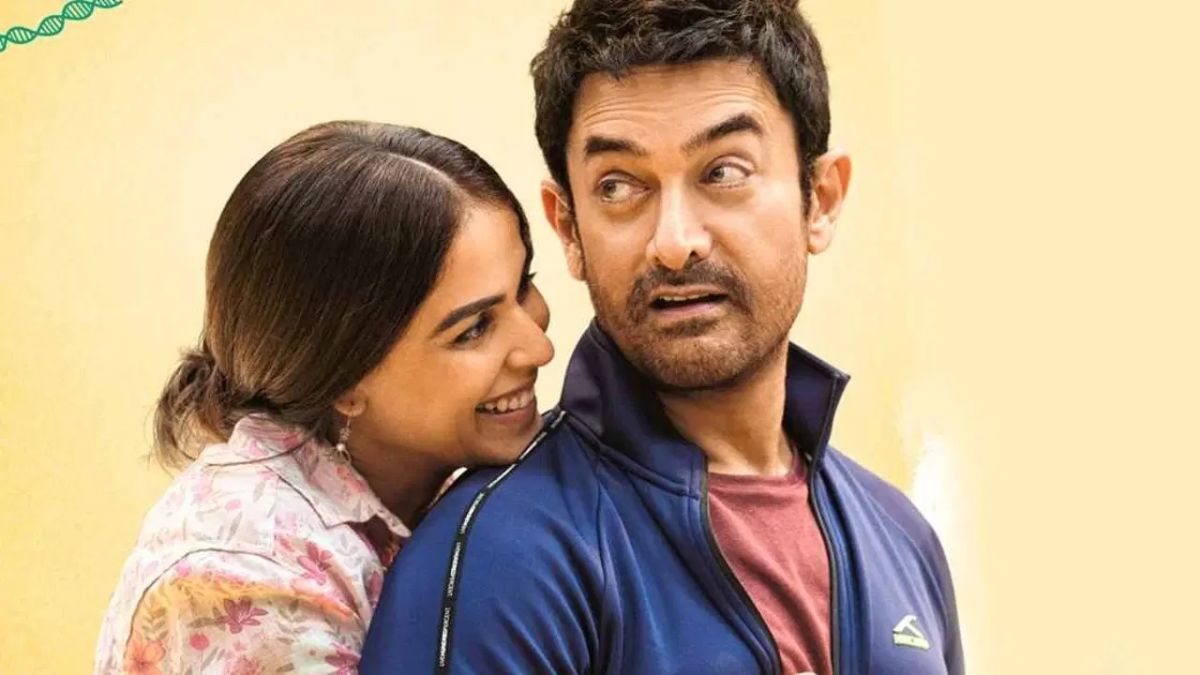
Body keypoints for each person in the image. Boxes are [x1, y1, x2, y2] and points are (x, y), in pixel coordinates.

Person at [360, 1, 963, 674]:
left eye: (724, 172)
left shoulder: (902, 536)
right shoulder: (499, 557)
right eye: (619, 186)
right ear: (569, 228)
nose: (674, 242)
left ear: (819, 200)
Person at [93, 121, 554, 673]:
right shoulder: (253, 574)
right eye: (473, 329)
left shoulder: (435, 491)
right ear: (343, 380)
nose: (540, 347)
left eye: (523, 286)